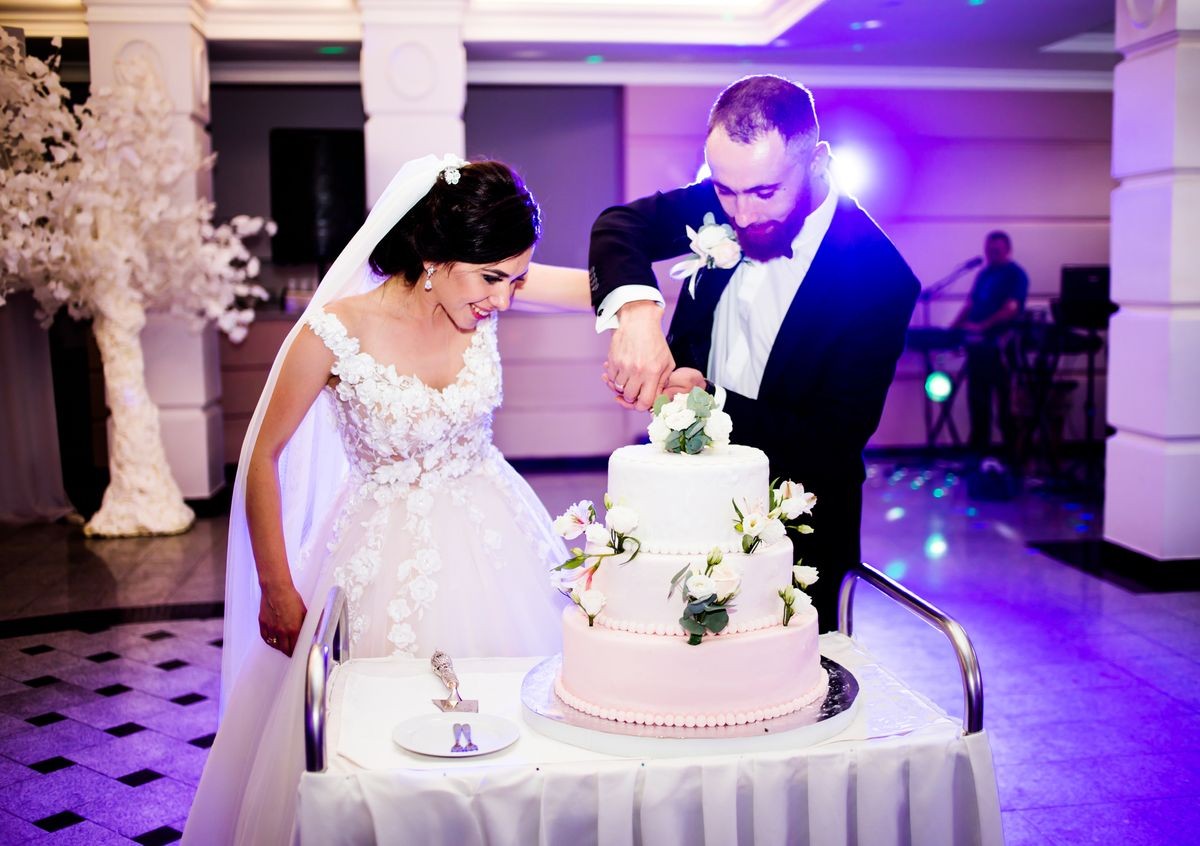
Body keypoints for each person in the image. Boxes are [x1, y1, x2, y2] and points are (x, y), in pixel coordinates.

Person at [183, 155, 591, 845]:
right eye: (494, 279)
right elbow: (261, 456)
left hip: (497, 534)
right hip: (379, 552)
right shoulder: (334, 330)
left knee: (529, 736)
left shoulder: (487, 286)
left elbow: (604, 286)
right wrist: (277, 587)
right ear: (435, 254)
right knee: (380, 746)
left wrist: (676, 278)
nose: (507, 299)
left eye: (519, 278)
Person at [589, 75, 920, 631]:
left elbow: (832, 442)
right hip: (686, 511)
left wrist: (710, 402)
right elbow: (618, 226)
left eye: (765, 193)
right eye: (724, 191)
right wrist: (638, 316)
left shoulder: (879, 277)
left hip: (797, 529)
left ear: (817, 161)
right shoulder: (730, 197)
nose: (740, 216)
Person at [950, 230, 1029, 460]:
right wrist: (953, 330)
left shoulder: (1015, 275)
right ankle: (978, 454)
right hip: (978, 350)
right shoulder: (984, 274)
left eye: (996, 250)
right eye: (989, 249)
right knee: (978, 403)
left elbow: (1010, 309)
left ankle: (1012, 458)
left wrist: (982, 326)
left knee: (1006, 405)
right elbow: (970, 304)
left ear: (1007, 250)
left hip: (1001, 349)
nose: (991, 253)